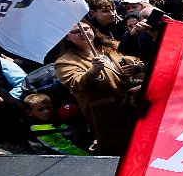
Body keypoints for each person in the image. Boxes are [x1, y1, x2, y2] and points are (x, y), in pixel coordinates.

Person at [54, 21, 145, 156]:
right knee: (125, 153)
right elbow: (77, 84)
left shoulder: (112, 46)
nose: (83, 33)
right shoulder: (65, 62)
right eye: (76, 31)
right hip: (111, 115)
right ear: (67, 37)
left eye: (86, 29)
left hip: (138, 105)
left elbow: (139, 60)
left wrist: (136, 67)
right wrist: (94, 71)